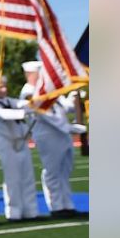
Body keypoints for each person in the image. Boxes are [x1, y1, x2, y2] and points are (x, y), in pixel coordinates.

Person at [20, 61, 87, 216]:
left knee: (65, 170)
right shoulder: (29, 92)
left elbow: (65, 106)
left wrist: (74, 93)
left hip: (61, 134)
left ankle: (67, 205)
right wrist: (69, 128)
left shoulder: (48, 89)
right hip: (48, 135)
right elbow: (44, 113)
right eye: (41, 73)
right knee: (52, 171)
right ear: (31, 74)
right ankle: (57, 206)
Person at [0, 75, 39, 221]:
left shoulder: (10, 101)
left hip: (21, 141)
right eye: (1, 86)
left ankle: (31, 211)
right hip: (7, 143)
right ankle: (14, 212)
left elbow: (23, 104)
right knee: (12, 179)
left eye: (5, 86)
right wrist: (27, 111)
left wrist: (35, 102)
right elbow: (5, 114)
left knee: (28, 177)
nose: (5, 89)